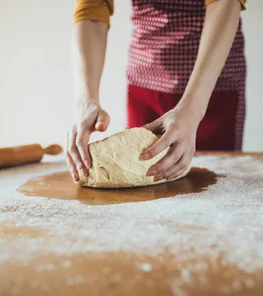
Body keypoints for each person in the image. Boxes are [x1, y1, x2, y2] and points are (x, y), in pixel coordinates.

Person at [67, 0, 247, 182]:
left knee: (215, 183)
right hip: (145, 83)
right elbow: (92, 8)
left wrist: (192, 110)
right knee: (144, 182)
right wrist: (86, 100)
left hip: (212, 86)